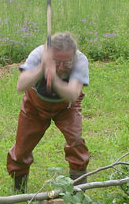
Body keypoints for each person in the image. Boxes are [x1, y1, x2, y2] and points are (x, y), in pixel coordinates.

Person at [7, 32, 90, 193]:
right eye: (57, 62)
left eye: (66, 63)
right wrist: (42, 69)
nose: (61, 67)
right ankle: (19, 193)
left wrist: (55, 79)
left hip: (67, 107)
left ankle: (78, 194)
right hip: (34, 107)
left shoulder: (80, 60)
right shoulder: (38, 55)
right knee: (21, 149)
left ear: (73, 56)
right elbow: (21, 86)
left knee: (76, 143)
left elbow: (73, 94)